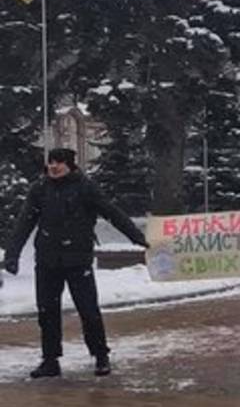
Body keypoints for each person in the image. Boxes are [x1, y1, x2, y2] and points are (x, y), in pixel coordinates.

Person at [4, 148, 148, 379]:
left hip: (77, 260)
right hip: (47, 260)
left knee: (88, 310)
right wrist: (12, 254)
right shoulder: (40, 189)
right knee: (47, 312)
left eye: (59, 162)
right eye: (51, 162)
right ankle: (50, 361)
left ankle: (100, 356)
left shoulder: (85, 187)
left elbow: (111, 212)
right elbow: (25, 222)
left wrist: (137, 236)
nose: (53, 166)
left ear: (70, 164)